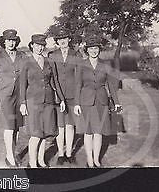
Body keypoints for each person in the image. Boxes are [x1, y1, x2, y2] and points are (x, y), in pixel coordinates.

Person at [74, 35, 122, 168]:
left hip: (101, 101)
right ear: (87, 50)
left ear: (99, 50)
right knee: (88, 132)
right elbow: (78, 85)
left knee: (98, 131)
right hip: (86, 102)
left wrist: (116, 102)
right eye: (91, 49)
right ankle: (89, 159)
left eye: (96, 48)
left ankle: (96, 159)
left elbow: (111, 85)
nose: (93, 51)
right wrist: (77, 103)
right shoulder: (81, 65)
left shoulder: (105, 64)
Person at [19, 34, 66, 168]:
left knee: (45, 133)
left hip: (49, 100)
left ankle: (41, 161)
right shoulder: (26, 62)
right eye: (37, 45)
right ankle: (32, 164)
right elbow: (22, 84)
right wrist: (22, 103)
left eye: (42, 45)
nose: (39, 48)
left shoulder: (49, 61)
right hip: (33, 101)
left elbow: (55, 81)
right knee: (35, 134)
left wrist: (62, 99)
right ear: (32, 46)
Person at [0, 29, 25, 167]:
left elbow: (24, 75)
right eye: (8, 40)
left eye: (13, 40)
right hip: (4, 95)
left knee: (16, 127)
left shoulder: (21, 55)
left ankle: (11, 153)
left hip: (19, 95)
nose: (11, 43)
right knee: (9, 127)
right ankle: (10, 157)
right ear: (3, 42)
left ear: (16, 41)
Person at [48, 29, 81, 165]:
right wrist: (58, 94)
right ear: (57, 42)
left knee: (70, 125)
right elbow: (52, 77)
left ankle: (69, 154)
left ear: (69, 40)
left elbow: (79, 78)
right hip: (58, 96)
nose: (62, 41)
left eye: (65, 38)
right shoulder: (53, 55)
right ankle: (61, 154)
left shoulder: (76, 54)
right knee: (61, 126)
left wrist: (78, 99)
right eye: (60, 39)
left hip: (73, 95)